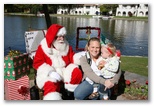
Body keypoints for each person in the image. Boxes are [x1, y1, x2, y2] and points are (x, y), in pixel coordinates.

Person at [33, 24, 83, 100]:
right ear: (53, 36)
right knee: (50, 83)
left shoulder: (66, 45)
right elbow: (37, 63)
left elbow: (72, 57)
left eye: (63, 36)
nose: (62, 39)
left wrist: (80, 56)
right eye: (59, 36)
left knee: (77, 72)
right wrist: (50, 72)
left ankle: (70, 94)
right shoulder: (43, 47)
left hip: (63, 71)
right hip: (50, 72)